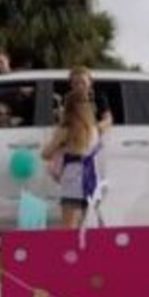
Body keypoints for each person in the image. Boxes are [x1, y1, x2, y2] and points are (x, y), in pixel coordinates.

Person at [42, 91, 102, 229]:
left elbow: (46, 154)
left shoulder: (66, 130)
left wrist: (61, 149)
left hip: (72, 183)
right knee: (89, 230)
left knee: (70, 231)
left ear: (68, 107)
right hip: (92, 182)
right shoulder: (94, 130)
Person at [68, 66, 114, 132]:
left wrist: (94, 130)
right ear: (71, 85)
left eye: (83, 82)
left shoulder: (98, 97)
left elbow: (108, 119)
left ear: (90, 82)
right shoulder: (69, 99)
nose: (80, 86)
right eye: (76, 83)